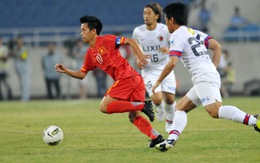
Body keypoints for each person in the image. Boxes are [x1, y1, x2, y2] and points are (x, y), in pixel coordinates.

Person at [152, 2, 260, 152]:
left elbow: (172, 63)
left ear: (171, 19)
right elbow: (217, 46)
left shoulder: (176, 35)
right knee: (180, 108)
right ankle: (171, 140)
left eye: (165, 19)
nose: (165, 22)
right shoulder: (194, 32)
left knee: (215, 111)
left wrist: (158, 81)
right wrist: (211, 69)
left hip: (203, 76)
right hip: (207, 75)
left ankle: (255, 121)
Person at [55, 15, 165, 147]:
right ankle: (156, 137)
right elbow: (82, 74)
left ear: (93, 31)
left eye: (84, 30)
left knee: (104, 106)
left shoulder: (107, 39)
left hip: (126, 78)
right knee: (133, 117)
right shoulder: (90, 54)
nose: (81, 34)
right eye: (81, 30)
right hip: (135, 80)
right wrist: (67, 71)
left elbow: (131, 41)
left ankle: (142, 106)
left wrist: (140, 56)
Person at [132, 3, 176, 133]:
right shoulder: (138, 31)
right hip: (149, 70)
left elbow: (175, 45)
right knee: (157, 99)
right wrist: (138, 58)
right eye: (144, 13)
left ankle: (170, 122)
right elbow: (135, 46)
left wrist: (168, 50)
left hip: (165, 68)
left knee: (170, 98)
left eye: (149, 13)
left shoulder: (164, 30)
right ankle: (160, 107)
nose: (146, 16)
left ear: (156, 16)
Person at [12, 35, 31, 101]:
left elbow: (23, 58)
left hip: (25, 70)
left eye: (20, 41)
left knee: (25, 84)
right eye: (18, 41)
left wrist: (16, 53)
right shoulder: (15, 49)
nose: (19, 42)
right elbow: (12, 55)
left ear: (22, 41)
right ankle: (24, 97)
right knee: (22, 85)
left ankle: (25, 98)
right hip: (19, 70)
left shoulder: (25, 49)